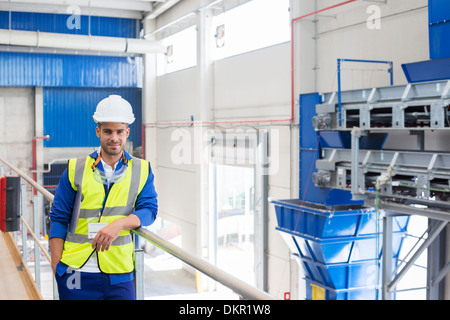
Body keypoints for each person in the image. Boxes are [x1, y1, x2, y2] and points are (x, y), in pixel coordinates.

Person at [49, 95, 158, 300]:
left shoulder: (142, 169)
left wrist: (120, 224)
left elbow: (149, 210)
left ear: (127, 132)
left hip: (118, 272)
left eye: (119, 131)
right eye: (107, 131)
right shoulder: (75, 169)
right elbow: (58, 218)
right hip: (76, 272)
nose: (114, 138)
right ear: (98, 131)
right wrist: (56, 266)